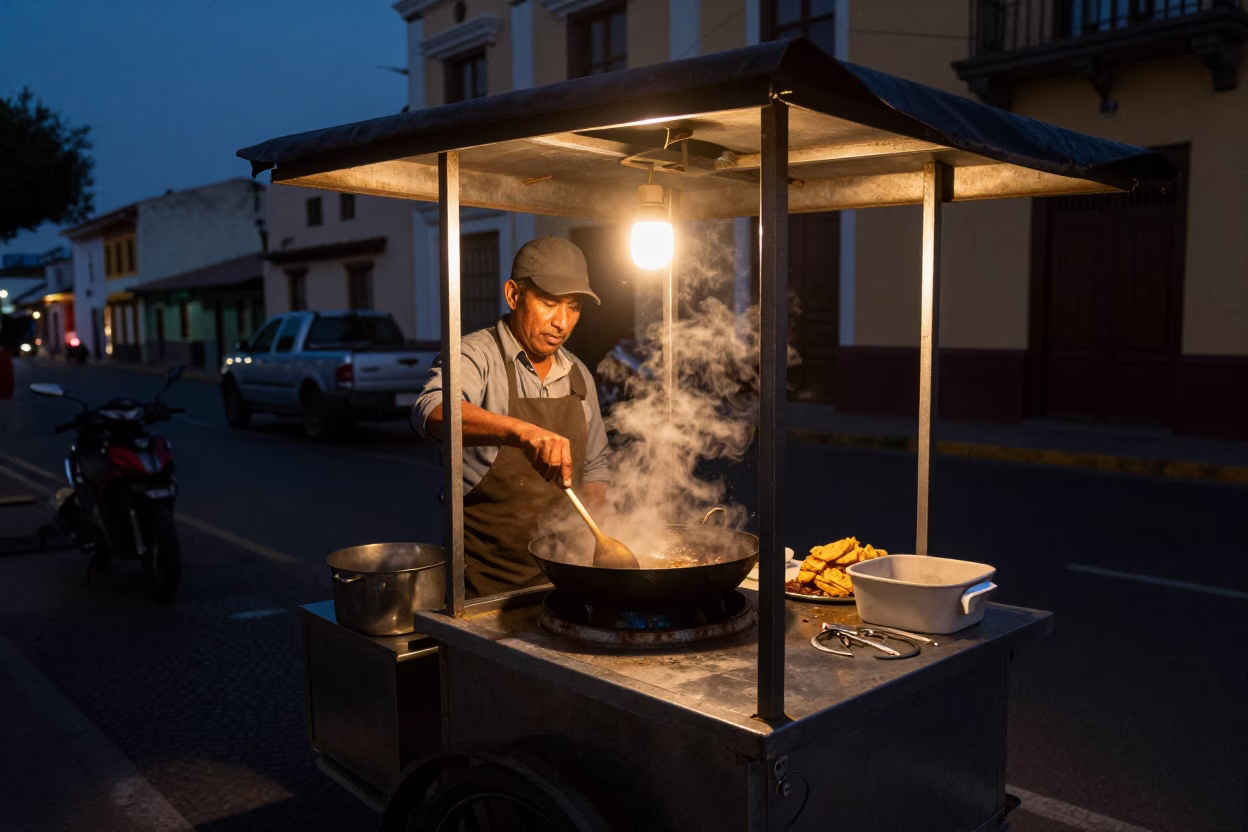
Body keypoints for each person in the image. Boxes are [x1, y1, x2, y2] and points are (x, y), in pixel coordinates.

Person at [413, 236, 611, 598]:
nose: (562, 322)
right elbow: (432, 411)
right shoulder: (475, 354)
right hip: (483, 587)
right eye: (550, 303)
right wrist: (522, 432)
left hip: (563, 583)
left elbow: (596, 467)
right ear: (514, 295)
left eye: (574, 307)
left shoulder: (579, 376)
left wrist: (595, 546)